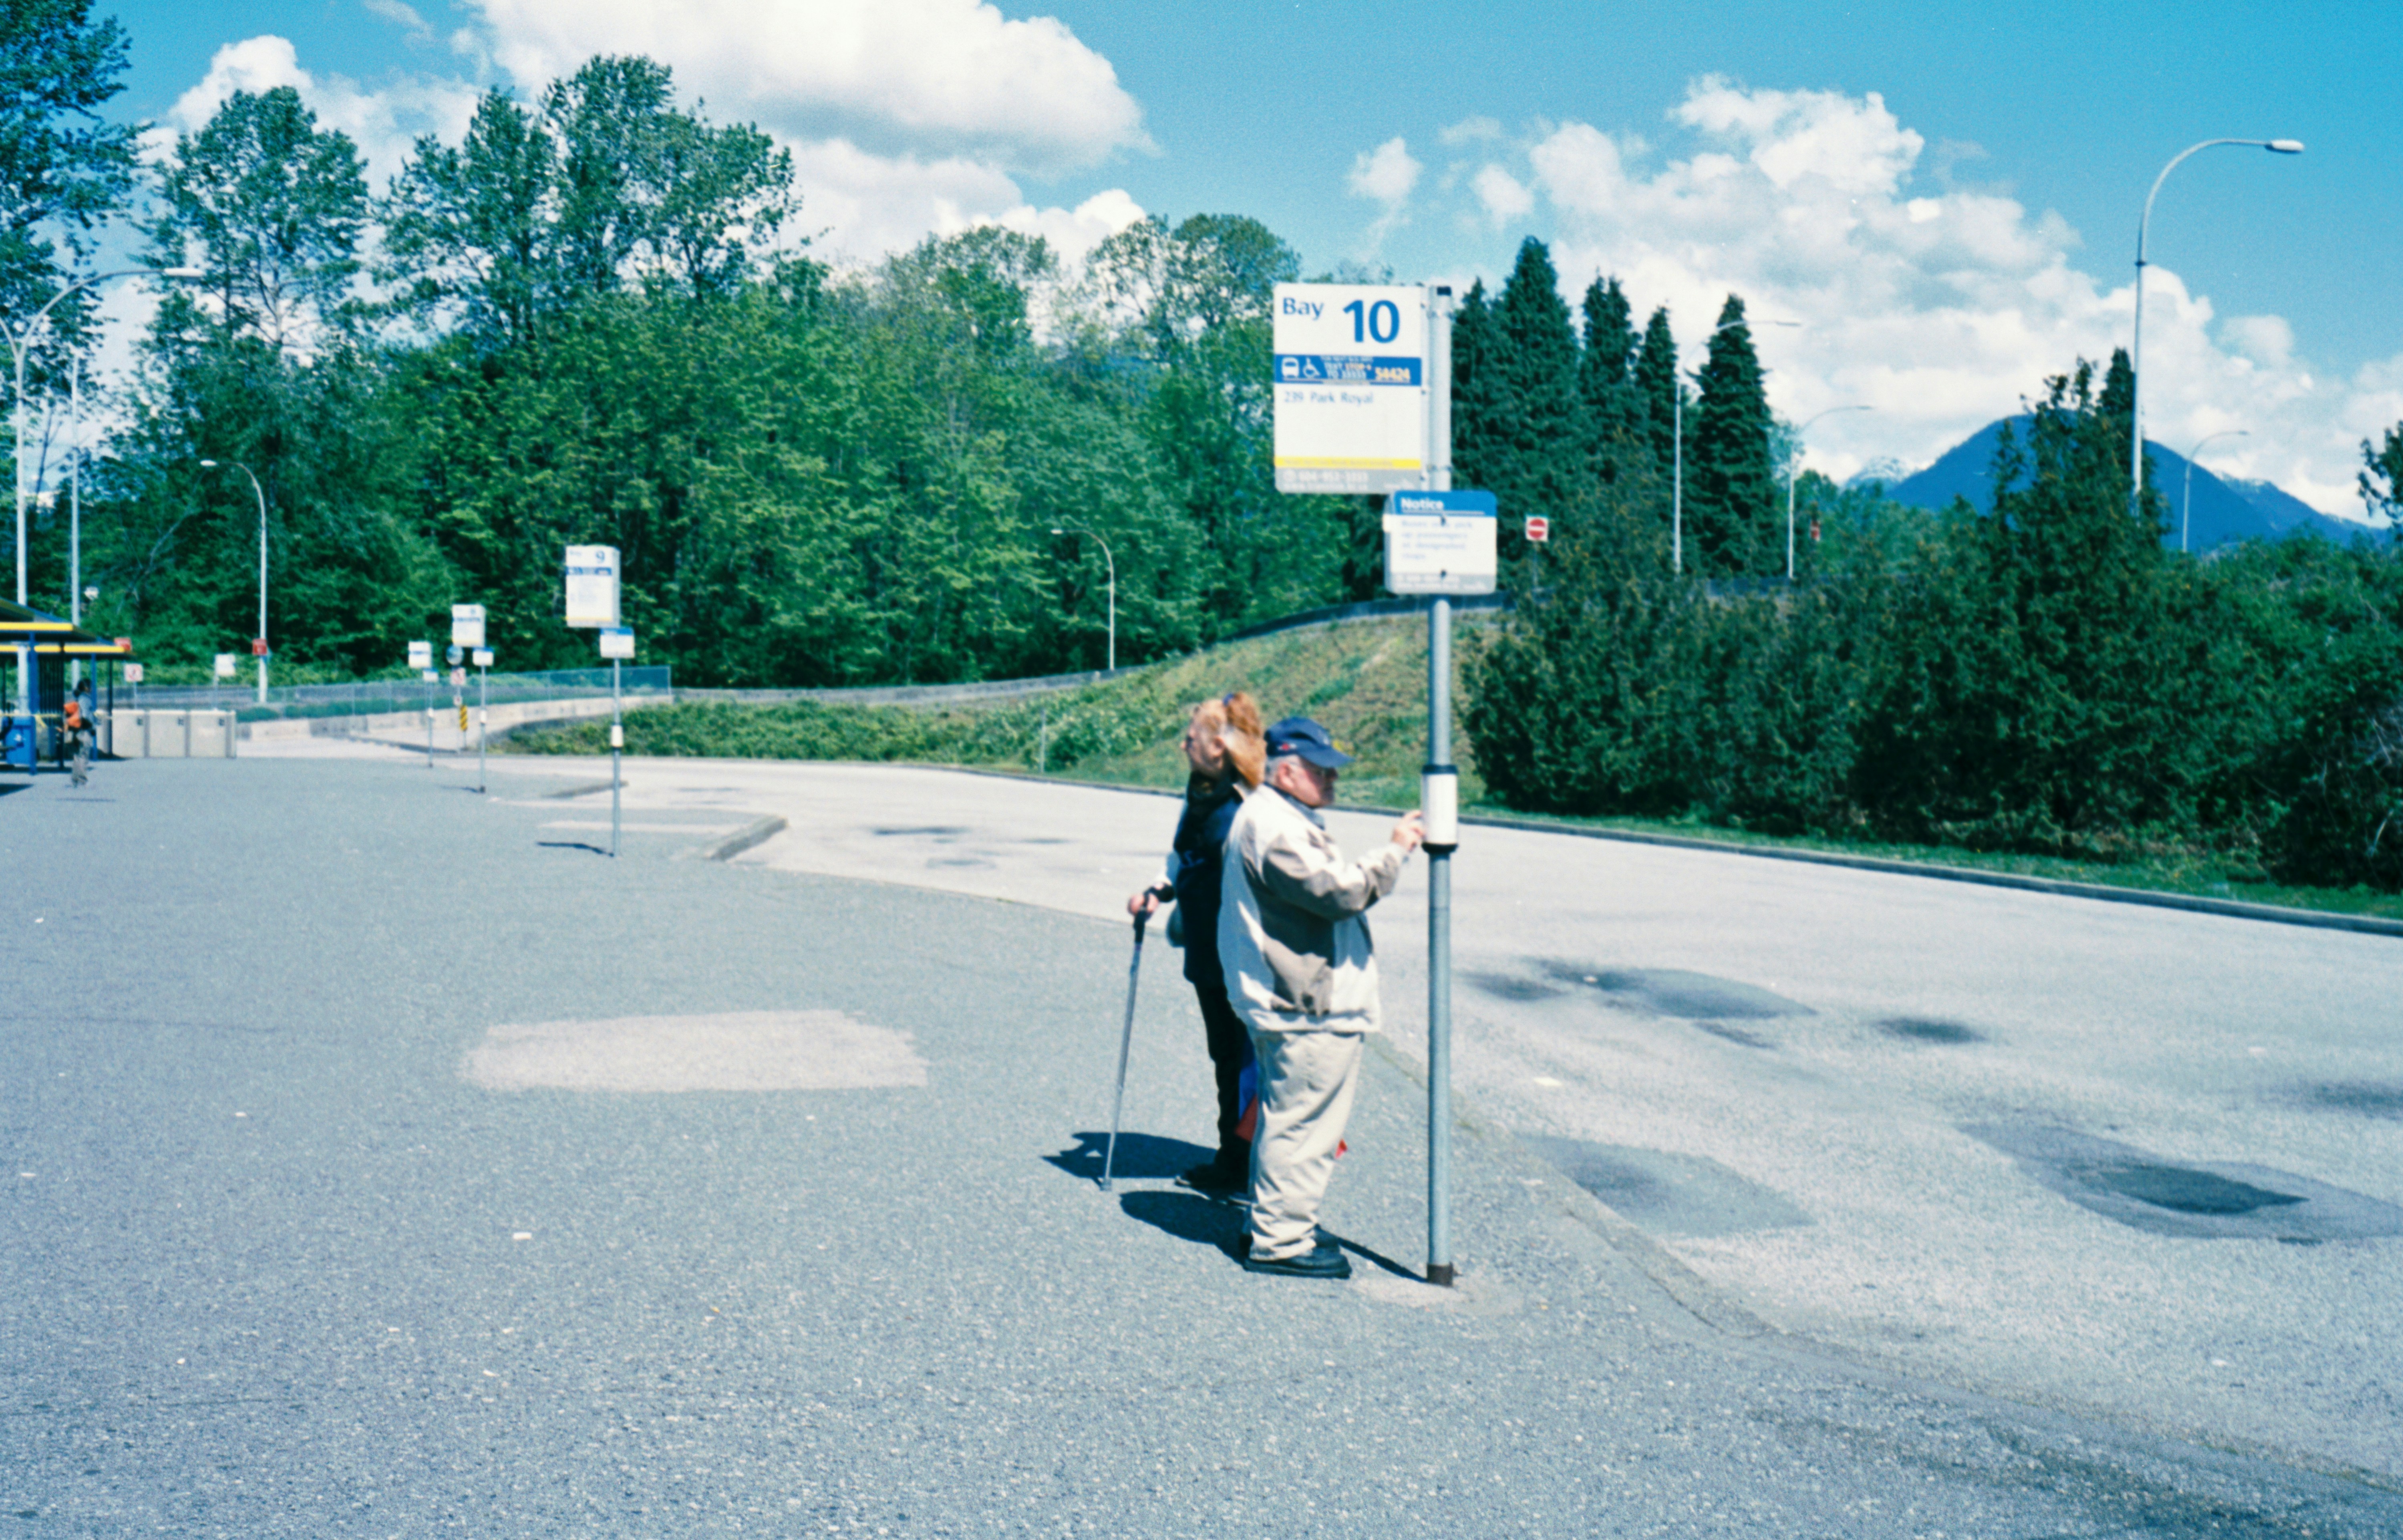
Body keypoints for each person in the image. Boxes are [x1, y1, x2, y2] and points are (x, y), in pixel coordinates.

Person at [1220, 715, 1423, 1279]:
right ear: (1287, 770)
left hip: (1289, 999)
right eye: (1321, 771)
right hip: (1303, 1004)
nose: (1333, 781)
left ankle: (1272, 1223)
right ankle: (1281, 1242)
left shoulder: (1273, 816)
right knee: (1304, 1126)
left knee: (1287, 1117)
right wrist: (1396, 851)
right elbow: (1341, 892)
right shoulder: (1276, 826)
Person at [1128, 692, 1266, 1193]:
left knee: (1247, 1059)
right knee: (1227, 1056)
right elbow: (1183, 854)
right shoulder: (1202, 790)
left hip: (1242, 955)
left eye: (1195, 735)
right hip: (1209, 951)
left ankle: (1248, 1162)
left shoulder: (1247, 804)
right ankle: (1235, 1157)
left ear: (1220, 747)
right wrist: (1157, 891)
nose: (1185, 740)